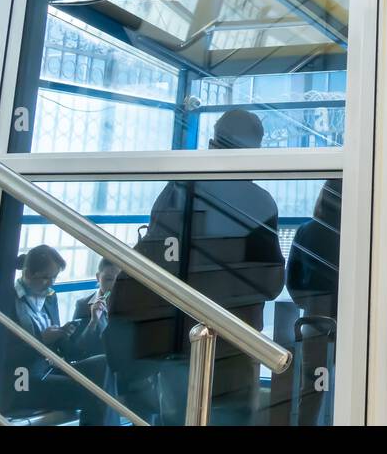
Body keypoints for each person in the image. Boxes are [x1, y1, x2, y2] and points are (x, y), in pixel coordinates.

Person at [106, 108, 285, 426]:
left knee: (180, 417)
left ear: (214, 142)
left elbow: (154, 256)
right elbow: (270, 283)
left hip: (179, 337)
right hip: (236, 344)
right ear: (255, 150)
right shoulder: (260, 203)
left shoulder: (181, 189)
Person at [5, 244, 110, 425]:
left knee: (104, 364)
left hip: (50, 368)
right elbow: (5, 355)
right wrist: (41, 341)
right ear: (28, 274)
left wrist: (64, 334)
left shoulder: (49, 297)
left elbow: (68, 351)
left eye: (54, 277)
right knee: (94, 393)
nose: (51, 283)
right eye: (45, 278)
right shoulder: (8, 301)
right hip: (24, 379)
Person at [285, 180, 341, 426]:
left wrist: (307, 302)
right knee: (348, 381)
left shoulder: (307, 231)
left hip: (314, 318)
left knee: (312, 385)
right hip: (350, 317)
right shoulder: (356, 233)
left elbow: (292, 279)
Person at [65, 257, 120, 361]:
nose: (114, 285)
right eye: (108, 279)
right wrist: (93, 322)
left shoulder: (130, 304)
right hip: (97, 367)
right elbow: (76, 351)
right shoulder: (83, 305)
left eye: (119, 280)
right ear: (98, 277)